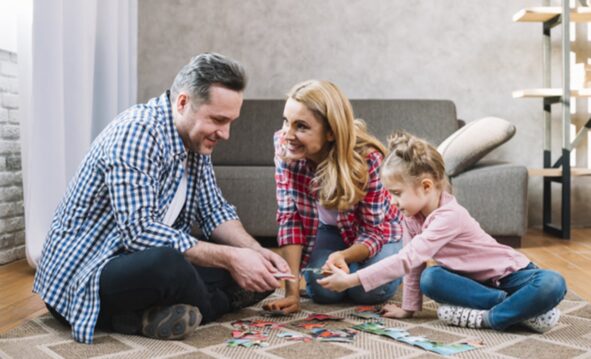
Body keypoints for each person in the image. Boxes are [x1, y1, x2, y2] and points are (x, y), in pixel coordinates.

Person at [33, 53, 289, 344]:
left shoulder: (195, 140)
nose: (226, 134)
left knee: (259, 271)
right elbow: (139, 233)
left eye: (231, 122)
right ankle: (188, 307)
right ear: (182, 103)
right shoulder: (137, 132)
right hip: (87, 274)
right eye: (218, 120)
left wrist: (253, 251)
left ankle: (153, 315)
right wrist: (232, 259)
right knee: (170, 263)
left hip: (134, 266)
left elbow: (214, 210)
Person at [318, 131, 567, 333]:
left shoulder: (449, 216)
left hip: (513, 275)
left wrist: (351, 280)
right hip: (477, 285)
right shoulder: (410, 218)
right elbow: (413, 265)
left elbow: (404, 259)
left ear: (426, 186)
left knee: (553, 282)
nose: (392, 202)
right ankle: (521, 311)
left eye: (396, 193)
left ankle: (489, 318)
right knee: (432, 278)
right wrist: (409, 308)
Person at [263, 80, 404, 314]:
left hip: (381, 232)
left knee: (367, 292)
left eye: (301, 126)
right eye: (286, 121)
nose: (287, 134)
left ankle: (401, 260)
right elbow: (290, 220)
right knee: (324, 292)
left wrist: (344, 256)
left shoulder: (368, 160)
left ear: (330, 131)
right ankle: (359, 268)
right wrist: (292, 293)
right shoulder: (285, 147)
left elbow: (374, 231)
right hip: (329, 230)